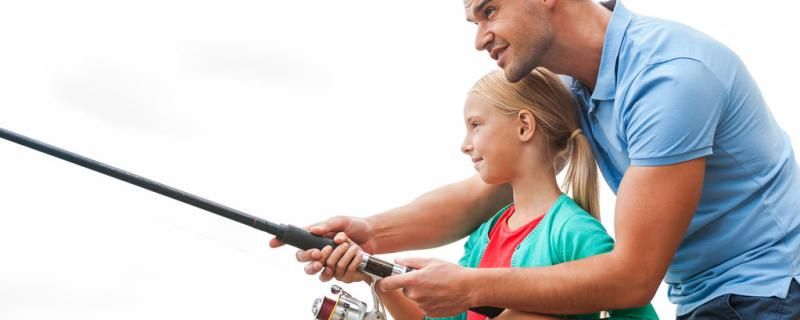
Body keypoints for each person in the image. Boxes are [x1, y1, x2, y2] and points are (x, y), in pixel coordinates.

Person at [273, 0, 800, 318]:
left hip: (771, 295)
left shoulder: (669, 79)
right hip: (716, 301)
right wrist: (370, 236)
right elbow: (491, 191)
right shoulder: (579, 84)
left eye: (489, 10)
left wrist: (469, 285)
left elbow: (634, 277)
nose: (480, 37)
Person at [324, 68, 658, 319]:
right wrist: (379, 278)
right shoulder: (485, 235)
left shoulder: (575, 233)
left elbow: (635, 310)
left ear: (524, 126)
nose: (465, 144)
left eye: (476, 124)